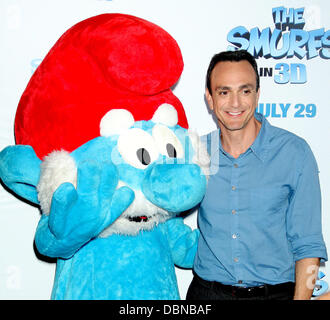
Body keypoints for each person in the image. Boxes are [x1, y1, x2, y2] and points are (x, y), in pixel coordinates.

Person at [186, 50, 327, 300]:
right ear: (209, 98)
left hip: (275, 295)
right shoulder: (195, 153)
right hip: (207, 294)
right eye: (224, 92)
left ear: (258, 94)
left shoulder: (294, 153)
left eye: (245, 90)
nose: (236, 103)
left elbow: (308, 244)